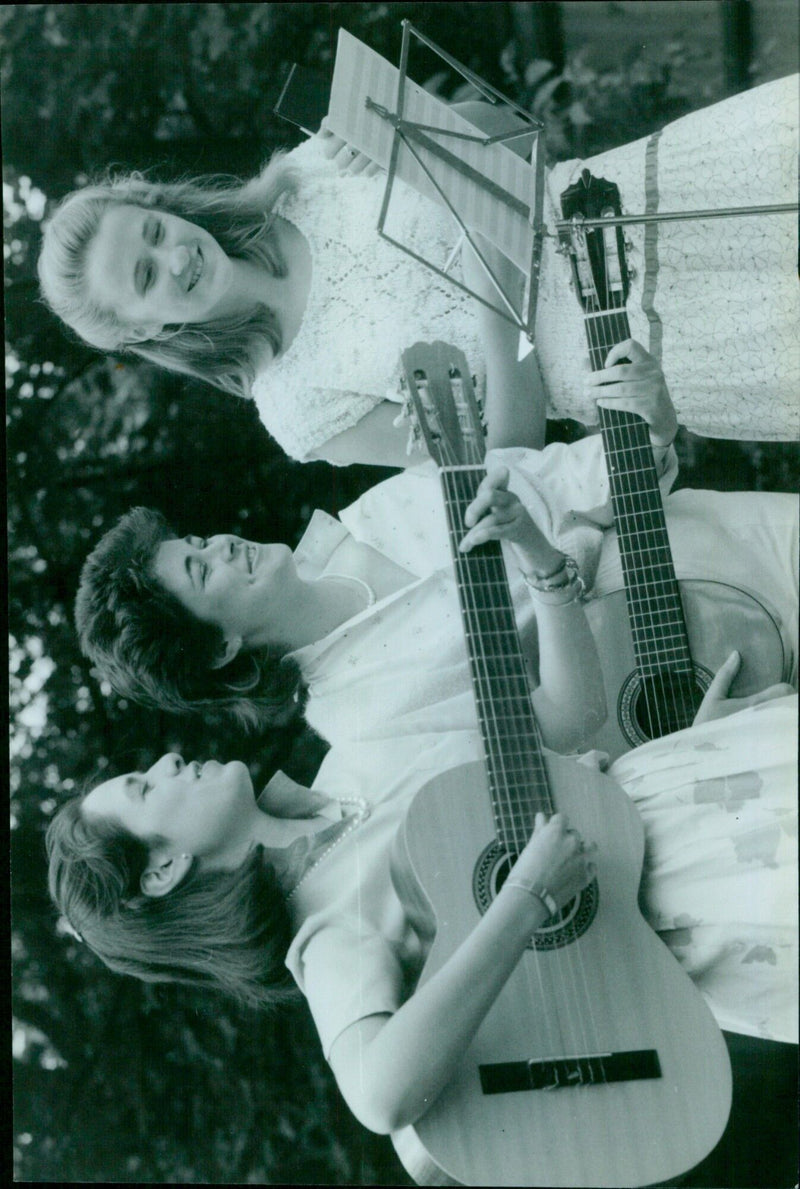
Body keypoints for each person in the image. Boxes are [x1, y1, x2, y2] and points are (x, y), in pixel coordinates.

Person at [45, 691, 798, 1145]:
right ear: (164, 867)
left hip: (706, 778)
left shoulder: (346, 770)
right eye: (146, 786)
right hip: (722, 891)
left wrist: (675, 751)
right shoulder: (328, 935)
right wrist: (526, 896)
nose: (172, 759)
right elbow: (381, 1096)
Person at [37, 74, 798, 466]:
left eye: (151, 230)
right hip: (639, 354)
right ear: (148, 330)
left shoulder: (307, 172)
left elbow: (516, 133)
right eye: (144, 279)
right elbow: (515, 456)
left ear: (159, 203)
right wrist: (499, 320)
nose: (174, 256)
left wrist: (425, 132)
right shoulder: (300, 412)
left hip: (641, 192)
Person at [72, 345, 797, 746]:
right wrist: (559, 549)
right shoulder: (361, 717)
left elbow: (572, 474)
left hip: (722, 545)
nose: (225, 543)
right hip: (699, 696)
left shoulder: (365, 518)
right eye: (202, 569)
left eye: (198, 539)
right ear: (220, 647)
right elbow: (560, 726)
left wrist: (653, 423)